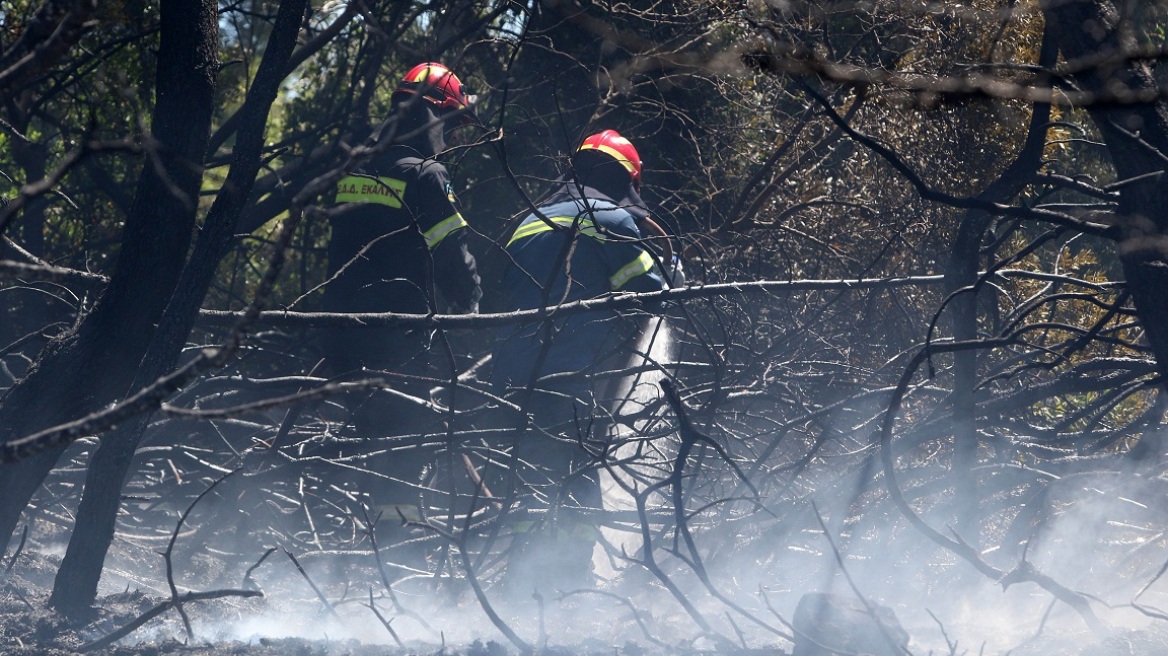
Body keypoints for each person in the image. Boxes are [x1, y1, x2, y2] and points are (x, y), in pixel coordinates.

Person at [489, 129, 671, 597]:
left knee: (531, 476)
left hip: (513, 375)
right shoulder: (610, 218)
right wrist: (674, 273)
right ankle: (568, 586)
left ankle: (520, 584)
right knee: (578, 478)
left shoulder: (527, 220)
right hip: (570, 376)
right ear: (624, 179)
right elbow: (654, 295)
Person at [320, 62, 482, 532]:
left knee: (366, 445)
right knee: (402, 455)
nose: (450, 137)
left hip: (340, 337)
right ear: (434, 117)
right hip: (395, 341)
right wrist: (472, 309)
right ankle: (396, 548)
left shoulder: (356, 168)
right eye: (450, 125)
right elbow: (452, 253)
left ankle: (352, 538)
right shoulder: (426, 174)